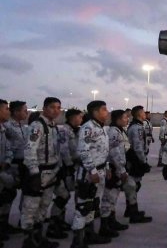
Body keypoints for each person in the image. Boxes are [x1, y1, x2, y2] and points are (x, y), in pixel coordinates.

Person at [21, 97, 63, 248]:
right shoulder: (37, 126)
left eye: (58, 107)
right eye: (52, 107)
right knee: (31, 207)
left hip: (51, 173)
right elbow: (29, 150)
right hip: (39, 173)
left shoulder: (53, 126)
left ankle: (38, 237)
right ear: (44, 108)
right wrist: (34, 173)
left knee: (44, 206)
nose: (56, 110)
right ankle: (28, 240)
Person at [70, 101, 113, 248]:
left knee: (94, 205)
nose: (107, 112)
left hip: (99, 171)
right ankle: (77, 241)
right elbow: (83, 151)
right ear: (95, 112)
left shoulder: (101, 128)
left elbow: (103, 151)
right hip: (89, 174)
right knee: (84, 207)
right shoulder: (88, 128)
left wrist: (106, 167)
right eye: (104, 109)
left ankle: (89, 234)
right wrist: (92, 170)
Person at [47, 108, 83, 239]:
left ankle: (59, 221)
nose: (81, 119)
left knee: (65, 194)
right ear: (73, 118)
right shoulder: (64, 130)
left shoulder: (73, 130)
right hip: (62, 168)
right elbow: (64, 150)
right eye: (79, 117)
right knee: (63, 195)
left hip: (67, 167)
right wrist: (69, 166)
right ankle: (53, 224)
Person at [99, 110, 133, 237]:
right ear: (118, 119)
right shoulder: (114, 132)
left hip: (118, 168)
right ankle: (104, 225)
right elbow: (115, 153)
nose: (127, 119)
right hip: (114, 169)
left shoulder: (119, 130)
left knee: (114, 196)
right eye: (125, 117)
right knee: (109, 197)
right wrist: (121, 170)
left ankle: (111, 221)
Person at [3, 100, 28, 236]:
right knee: (8, 195)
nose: (26, 112)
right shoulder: (6, 126)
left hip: (22, 164)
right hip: (11, 165)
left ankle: (22, 221)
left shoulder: (23, 127)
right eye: (24, 110)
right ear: (16, 112)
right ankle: (3, 224)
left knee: (24, 195)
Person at [125, 106, 153, 222]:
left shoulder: (137, 126)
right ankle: (133, 212)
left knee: (134, 185)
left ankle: (130, 209)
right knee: (133, 185)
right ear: (138, 115)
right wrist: (143, 161)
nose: (145, 114)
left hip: (134, 158)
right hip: (135, 160)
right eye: (142, 112)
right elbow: (138, 146)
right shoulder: (137, 128)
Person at [0, 99, 16, 245]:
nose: (8, 112)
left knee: (7, 196)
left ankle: (3, 226)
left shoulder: (3, 129)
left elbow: (9, 148)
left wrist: (7, 161)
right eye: (5, 109)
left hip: (4, 169)